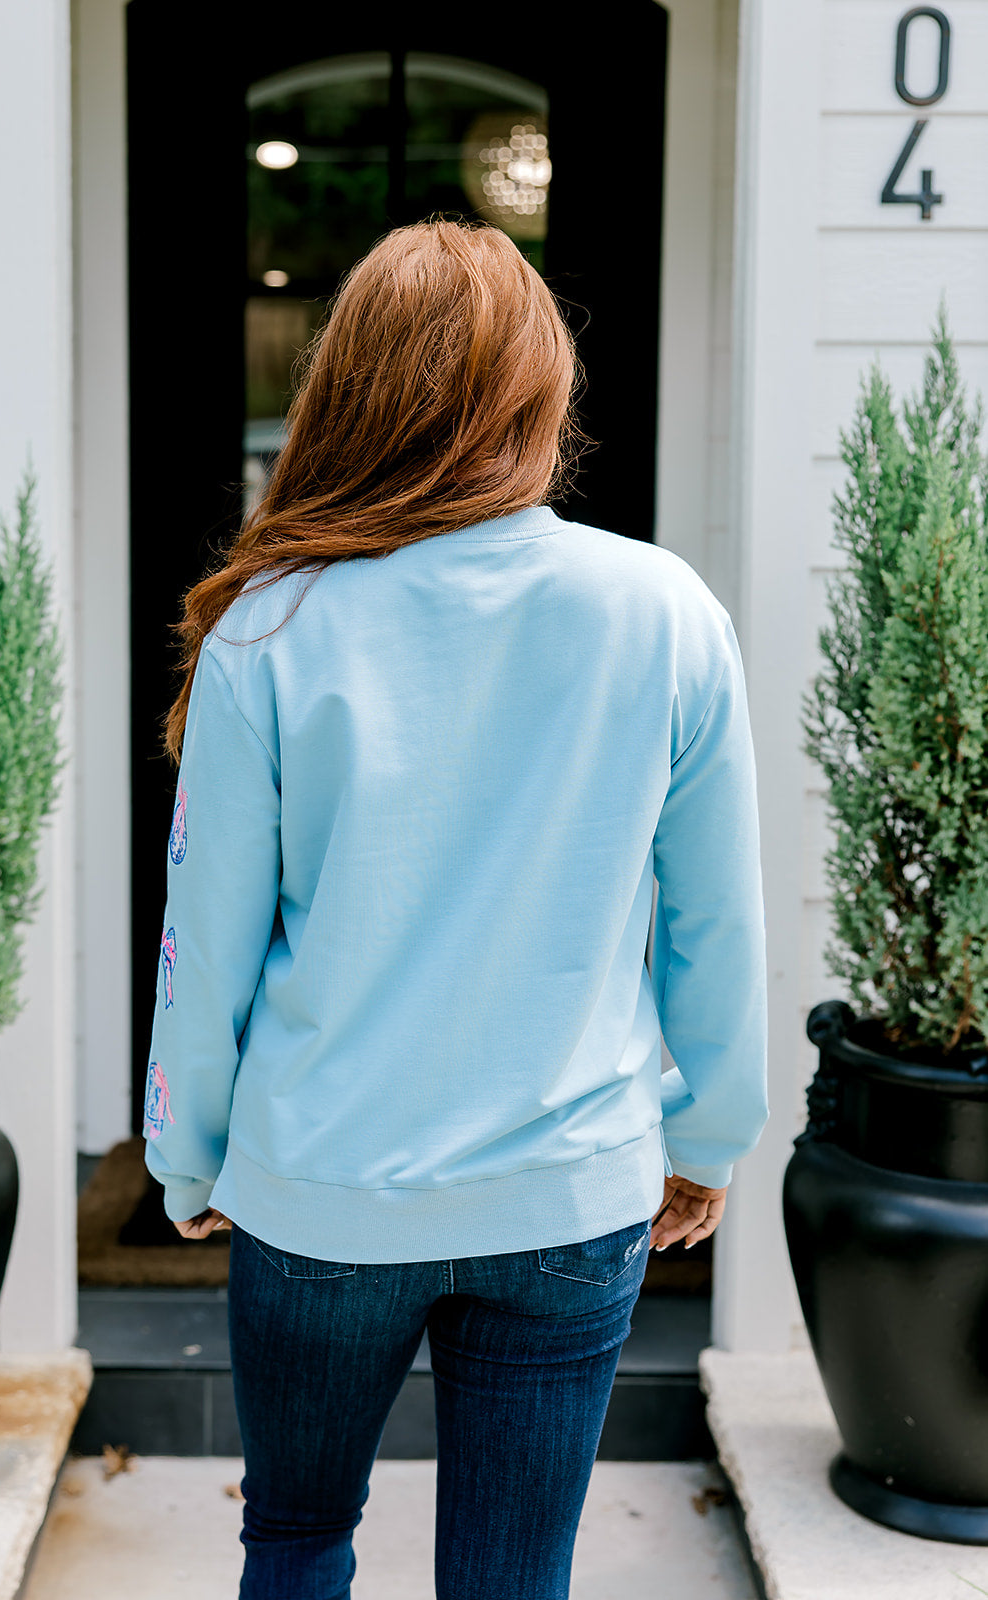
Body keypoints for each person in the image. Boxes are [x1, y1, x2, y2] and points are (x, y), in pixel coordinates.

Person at [143, 218, 768, 1600]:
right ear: (540, 395)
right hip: (569, 1193)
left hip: (323, 1194)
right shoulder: (665, 612)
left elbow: (209, 943)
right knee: (513, 1577)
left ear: (347, 390)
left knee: (295, 1540)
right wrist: (710, 1133)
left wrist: (185, 1159)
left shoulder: (270, 629)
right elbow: (715, 924)